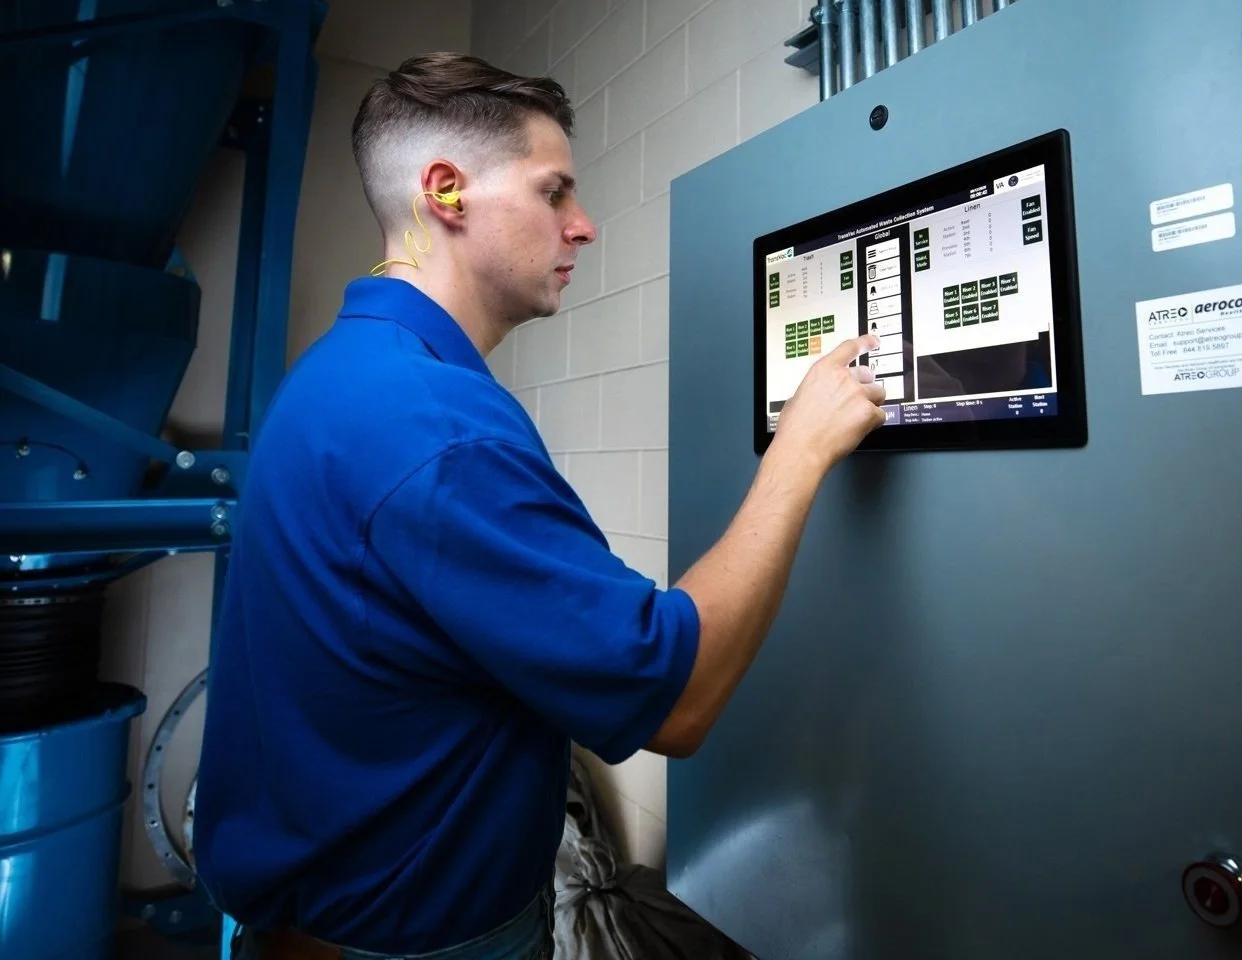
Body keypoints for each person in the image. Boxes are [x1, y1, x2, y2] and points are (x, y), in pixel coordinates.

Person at [195, 52, 886, 960]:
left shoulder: (340, 374)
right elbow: (676, 699)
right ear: (446, 193)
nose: (584, 225)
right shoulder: (434, 425)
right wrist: (800, 449)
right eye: (553, 191)